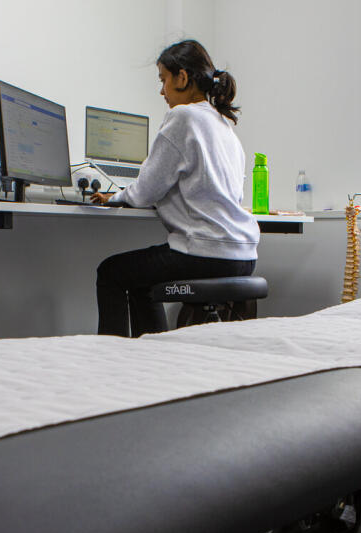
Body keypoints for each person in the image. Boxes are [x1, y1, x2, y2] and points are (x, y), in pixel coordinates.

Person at [90, 39, 260, 337]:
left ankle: (110, 356)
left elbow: (145, 191)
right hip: (243, 255)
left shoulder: (183, 116)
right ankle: (154, 352)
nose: (162, 91)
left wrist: (113, 197)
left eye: (163, 80)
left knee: (111, 272)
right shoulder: (224, 126)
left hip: (205, 252)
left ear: (182, 77)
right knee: (140, 279)